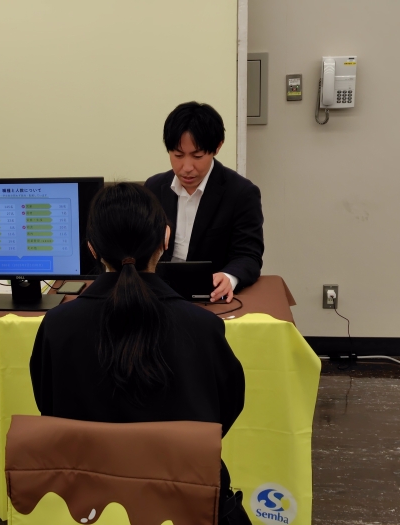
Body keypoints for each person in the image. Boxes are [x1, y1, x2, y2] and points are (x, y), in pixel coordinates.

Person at [30, 183, 249, 524]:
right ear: (165, 238)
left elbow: (50, 408)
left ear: (91, 248)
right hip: (188, 496)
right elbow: (224, 412)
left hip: (89, 502)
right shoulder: (203, 326)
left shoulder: (57, 326)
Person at [144, 101, 264, 303]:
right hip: (158, 295)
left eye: (197, 156)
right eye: (178, 155)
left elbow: (248, 255)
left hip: (210, 296)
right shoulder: (154, 187)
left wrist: (229, 277)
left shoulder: (241, 193)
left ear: (217, 147)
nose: (186, 167)